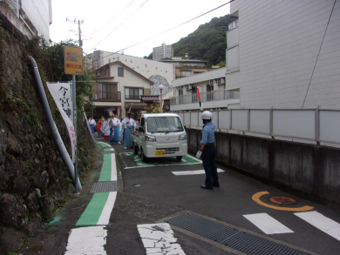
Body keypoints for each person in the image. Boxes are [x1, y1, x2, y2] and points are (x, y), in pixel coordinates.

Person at [196, 111, 219, 190]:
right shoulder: (212, 125)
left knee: (207, 166)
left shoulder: (205, 129)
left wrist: (200, 150)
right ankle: (215, 182)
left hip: (207, 148)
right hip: (212, 146)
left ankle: (209, 184)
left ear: (204, 119)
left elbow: (204, 141)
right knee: (213, 165)